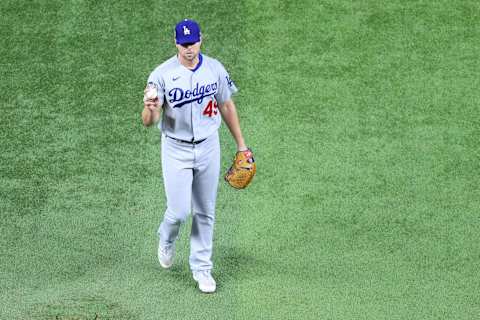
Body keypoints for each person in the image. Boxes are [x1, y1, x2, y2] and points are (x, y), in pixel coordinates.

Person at [142, 19, 248, 293]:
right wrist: (151, 108)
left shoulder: (214, 69)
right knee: (178, 211)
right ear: (176, 43)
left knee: (205, 211)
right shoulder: (161, 75)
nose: (189, 49)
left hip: (208, 145)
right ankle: (166, 238)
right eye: (184, 44)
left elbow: (226, 105)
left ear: (201, 39)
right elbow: (148, 121)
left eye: (193, 42)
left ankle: (202, 269)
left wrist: (241, 145)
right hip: (175, 148)